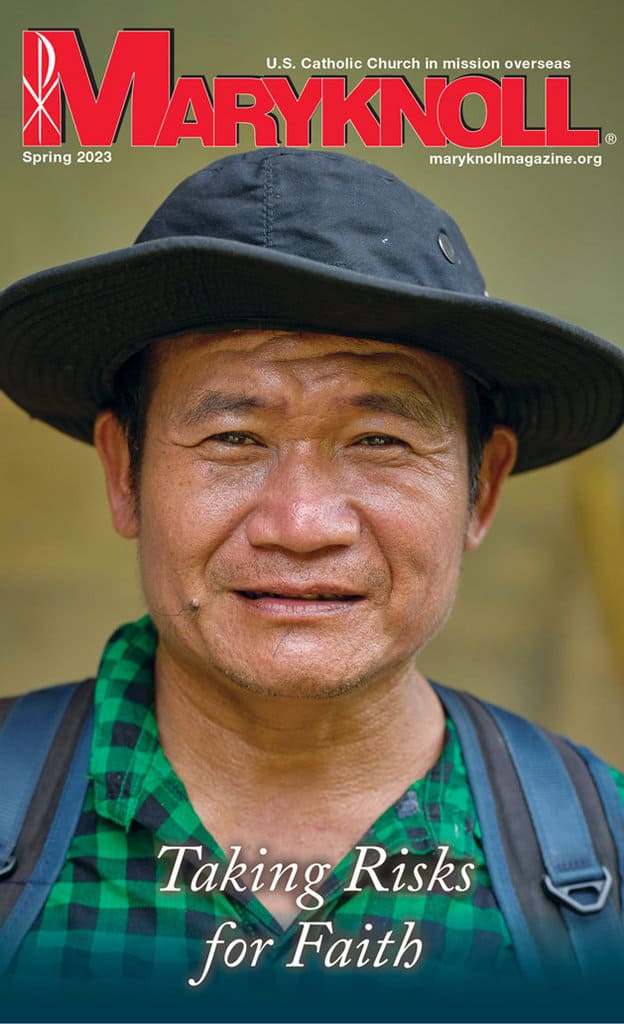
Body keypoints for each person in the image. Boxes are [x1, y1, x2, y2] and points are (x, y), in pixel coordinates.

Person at [0, 149, 623, 1013]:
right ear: (123, 470)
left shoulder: (608, 859)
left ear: (481, 488)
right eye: (233, 439)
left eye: (381, 441)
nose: (300, 525)